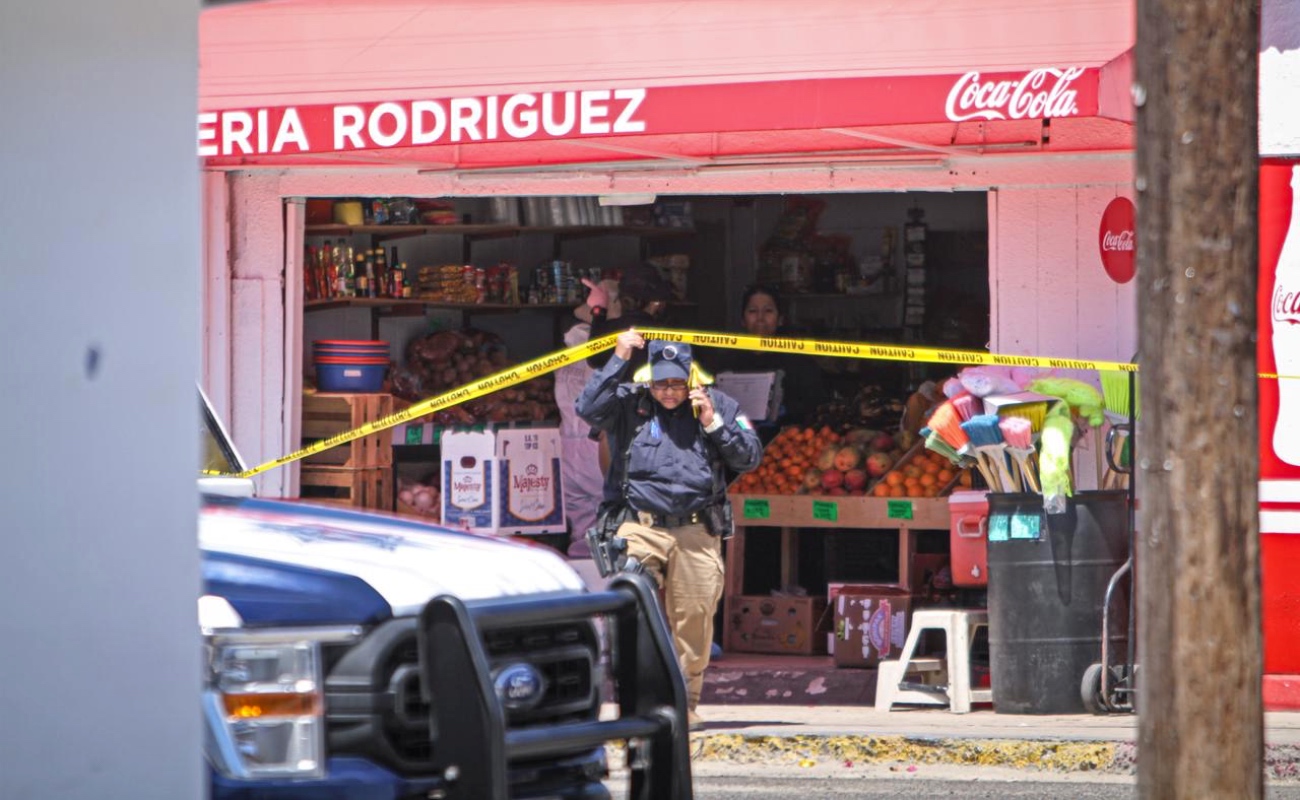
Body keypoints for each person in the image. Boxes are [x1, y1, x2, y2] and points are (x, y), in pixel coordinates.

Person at [575, 331, 763, 729]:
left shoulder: (720, 405)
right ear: (649, 380)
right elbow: (587, 408)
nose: (669, 391)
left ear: (691, 379)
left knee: (694, 620)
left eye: (676, 382)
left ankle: (686, 701)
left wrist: (713, 424)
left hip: (696, 528)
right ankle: (638, 697)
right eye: (661, 383)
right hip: (641, 525)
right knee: (631, 605)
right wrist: (619, 355)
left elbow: (749, 456)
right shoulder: (629, 404)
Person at [715, 285, 830, 438]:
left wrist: (785, 411)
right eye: (753, 311)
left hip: (785, 446)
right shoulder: (727, 361)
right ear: (743, 320)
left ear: (780, 319)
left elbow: (817, 405)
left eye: (768, 311)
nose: (760, 318)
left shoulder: (799, 361)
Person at [553, 320, 603, 558]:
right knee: (608, 511)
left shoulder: (561, 363)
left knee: (580, 518)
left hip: (565, 444)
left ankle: (583, 568)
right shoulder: (598, 363)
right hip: (593, 443)